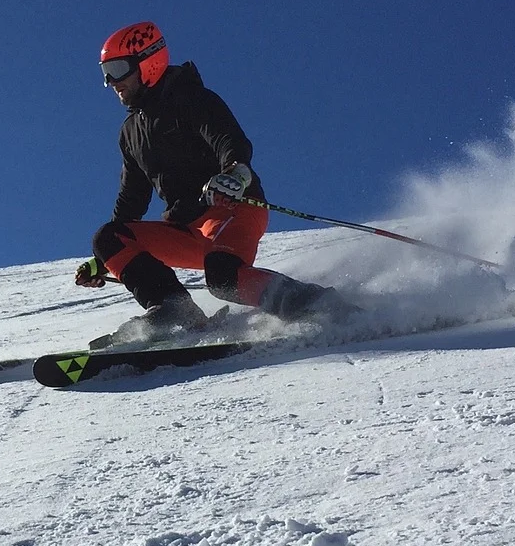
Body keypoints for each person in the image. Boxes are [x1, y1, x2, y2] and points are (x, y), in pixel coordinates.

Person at [76, 21, 345, 341]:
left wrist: (235, 172)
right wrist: (106, 259)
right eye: (106, 72)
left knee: (223, 278)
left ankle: (321, 306)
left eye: (118, 69)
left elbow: (228, 140)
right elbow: (132, 198)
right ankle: (175, 310)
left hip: (231, 208)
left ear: (149, 62)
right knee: (108, 237)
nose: (111, 82)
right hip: (186, 227)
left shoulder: (191, 98)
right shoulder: (130, 133)